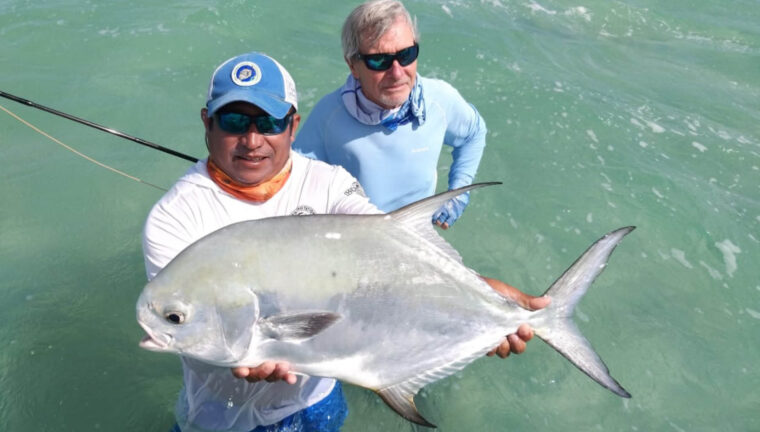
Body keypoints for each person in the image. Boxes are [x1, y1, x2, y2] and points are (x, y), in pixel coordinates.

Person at [142, 51, 542, 432]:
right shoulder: (174, 218)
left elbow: (392, 246)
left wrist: (482, 295)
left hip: (316, 399)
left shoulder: (328, 183)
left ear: (293, 125)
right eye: (232, 120)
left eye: (269, 123)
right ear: (207, 122)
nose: (251, 140)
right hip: (219, 415)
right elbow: (203, 333)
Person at [293, 0, 549, 357]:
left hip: (419, 239)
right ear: (353, 64)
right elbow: (294, 186)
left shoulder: (440, 100)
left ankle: (523, 313)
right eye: (379, 61)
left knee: (438, 335)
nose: (397, 72)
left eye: (407, 53)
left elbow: (474, 133)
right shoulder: (328, 119)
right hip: (356, 256)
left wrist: (458, 193)